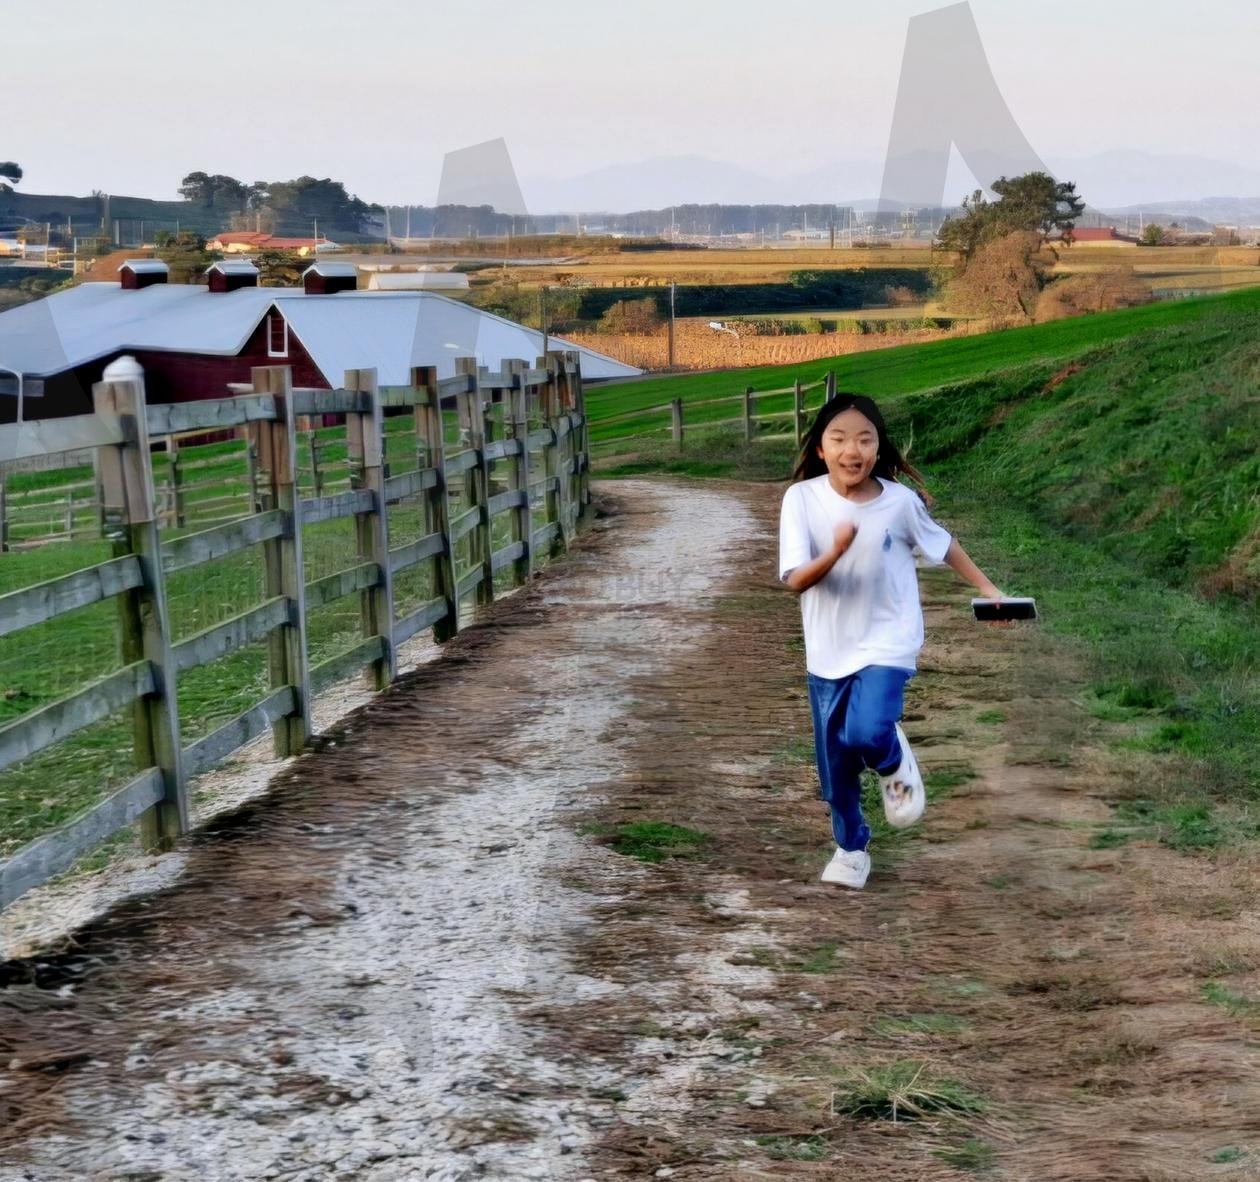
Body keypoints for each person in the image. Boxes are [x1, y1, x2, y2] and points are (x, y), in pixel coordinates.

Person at [778, 393, 1008, 890]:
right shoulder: (801, 500)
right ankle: (851, 848)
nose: (852, 449)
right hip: (827, 651)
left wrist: (991, 592)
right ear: (820, 448)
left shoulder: (899, 503)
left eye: (865, 439)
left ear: (878, 447)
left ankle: (891, 758)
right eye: (839, 439)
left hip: (888, 642)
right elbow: (796, 580)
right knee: (835, 768)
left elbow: (944, 545)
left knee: (866, 731)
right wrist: (837, 550)